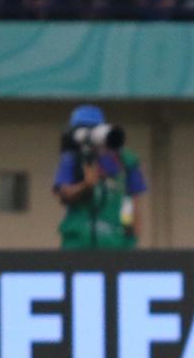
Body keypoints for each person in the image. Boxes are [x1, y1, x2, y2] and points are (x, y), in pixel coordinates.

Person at [53, 105, 147, 250]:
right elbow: (63, 194)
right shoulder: (72, 159)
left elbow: (134, 203)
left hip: (116, 243)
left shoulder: (126, 161)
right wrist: (86, 186)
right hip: (78, 244)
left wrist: (133, 241)